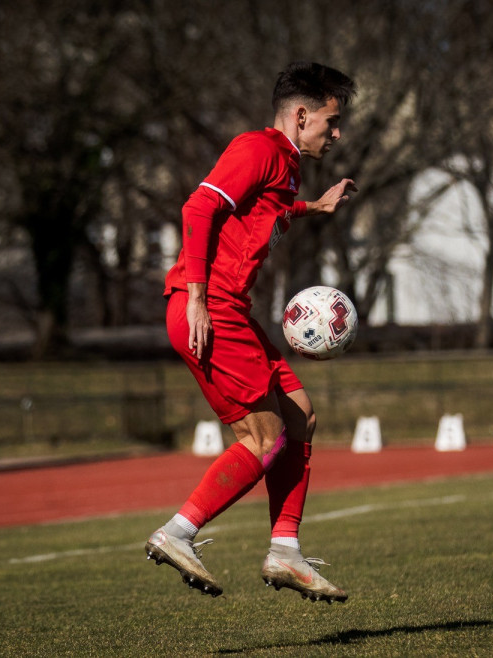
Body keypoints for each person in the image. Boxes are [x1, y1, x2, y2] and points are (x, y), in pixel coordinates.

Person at [144, 62, 357, 604]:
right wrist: (195, 299)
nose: (337, 134)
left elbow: (269, 212)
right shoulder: (258, 148)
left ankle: (285, 549)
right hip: (208, 307)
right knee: (263, 439)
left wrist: (316, 206)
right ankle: (177, 533)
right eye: (331, 122)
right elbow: (200, 206)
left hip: (230, 310)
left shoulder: (286, 166)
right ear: (301, 115)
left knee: (300, 416)